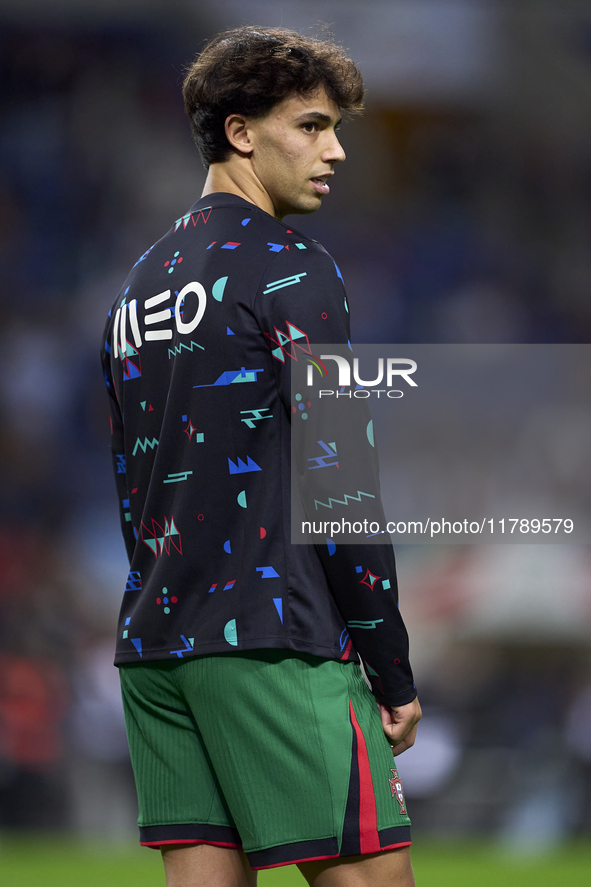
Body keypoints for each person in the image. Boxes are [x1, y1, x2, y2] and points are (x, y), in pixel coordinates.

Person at [101, 26, 421, 887]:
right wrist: (391, 666)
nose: (337, 150)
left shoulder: (138, 284)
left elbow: (136, 482)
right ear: (242, 132)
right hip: (272, 636)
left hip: (158, 640)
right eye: (312, 126)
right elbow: (342, 484)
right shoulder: (290, 268)